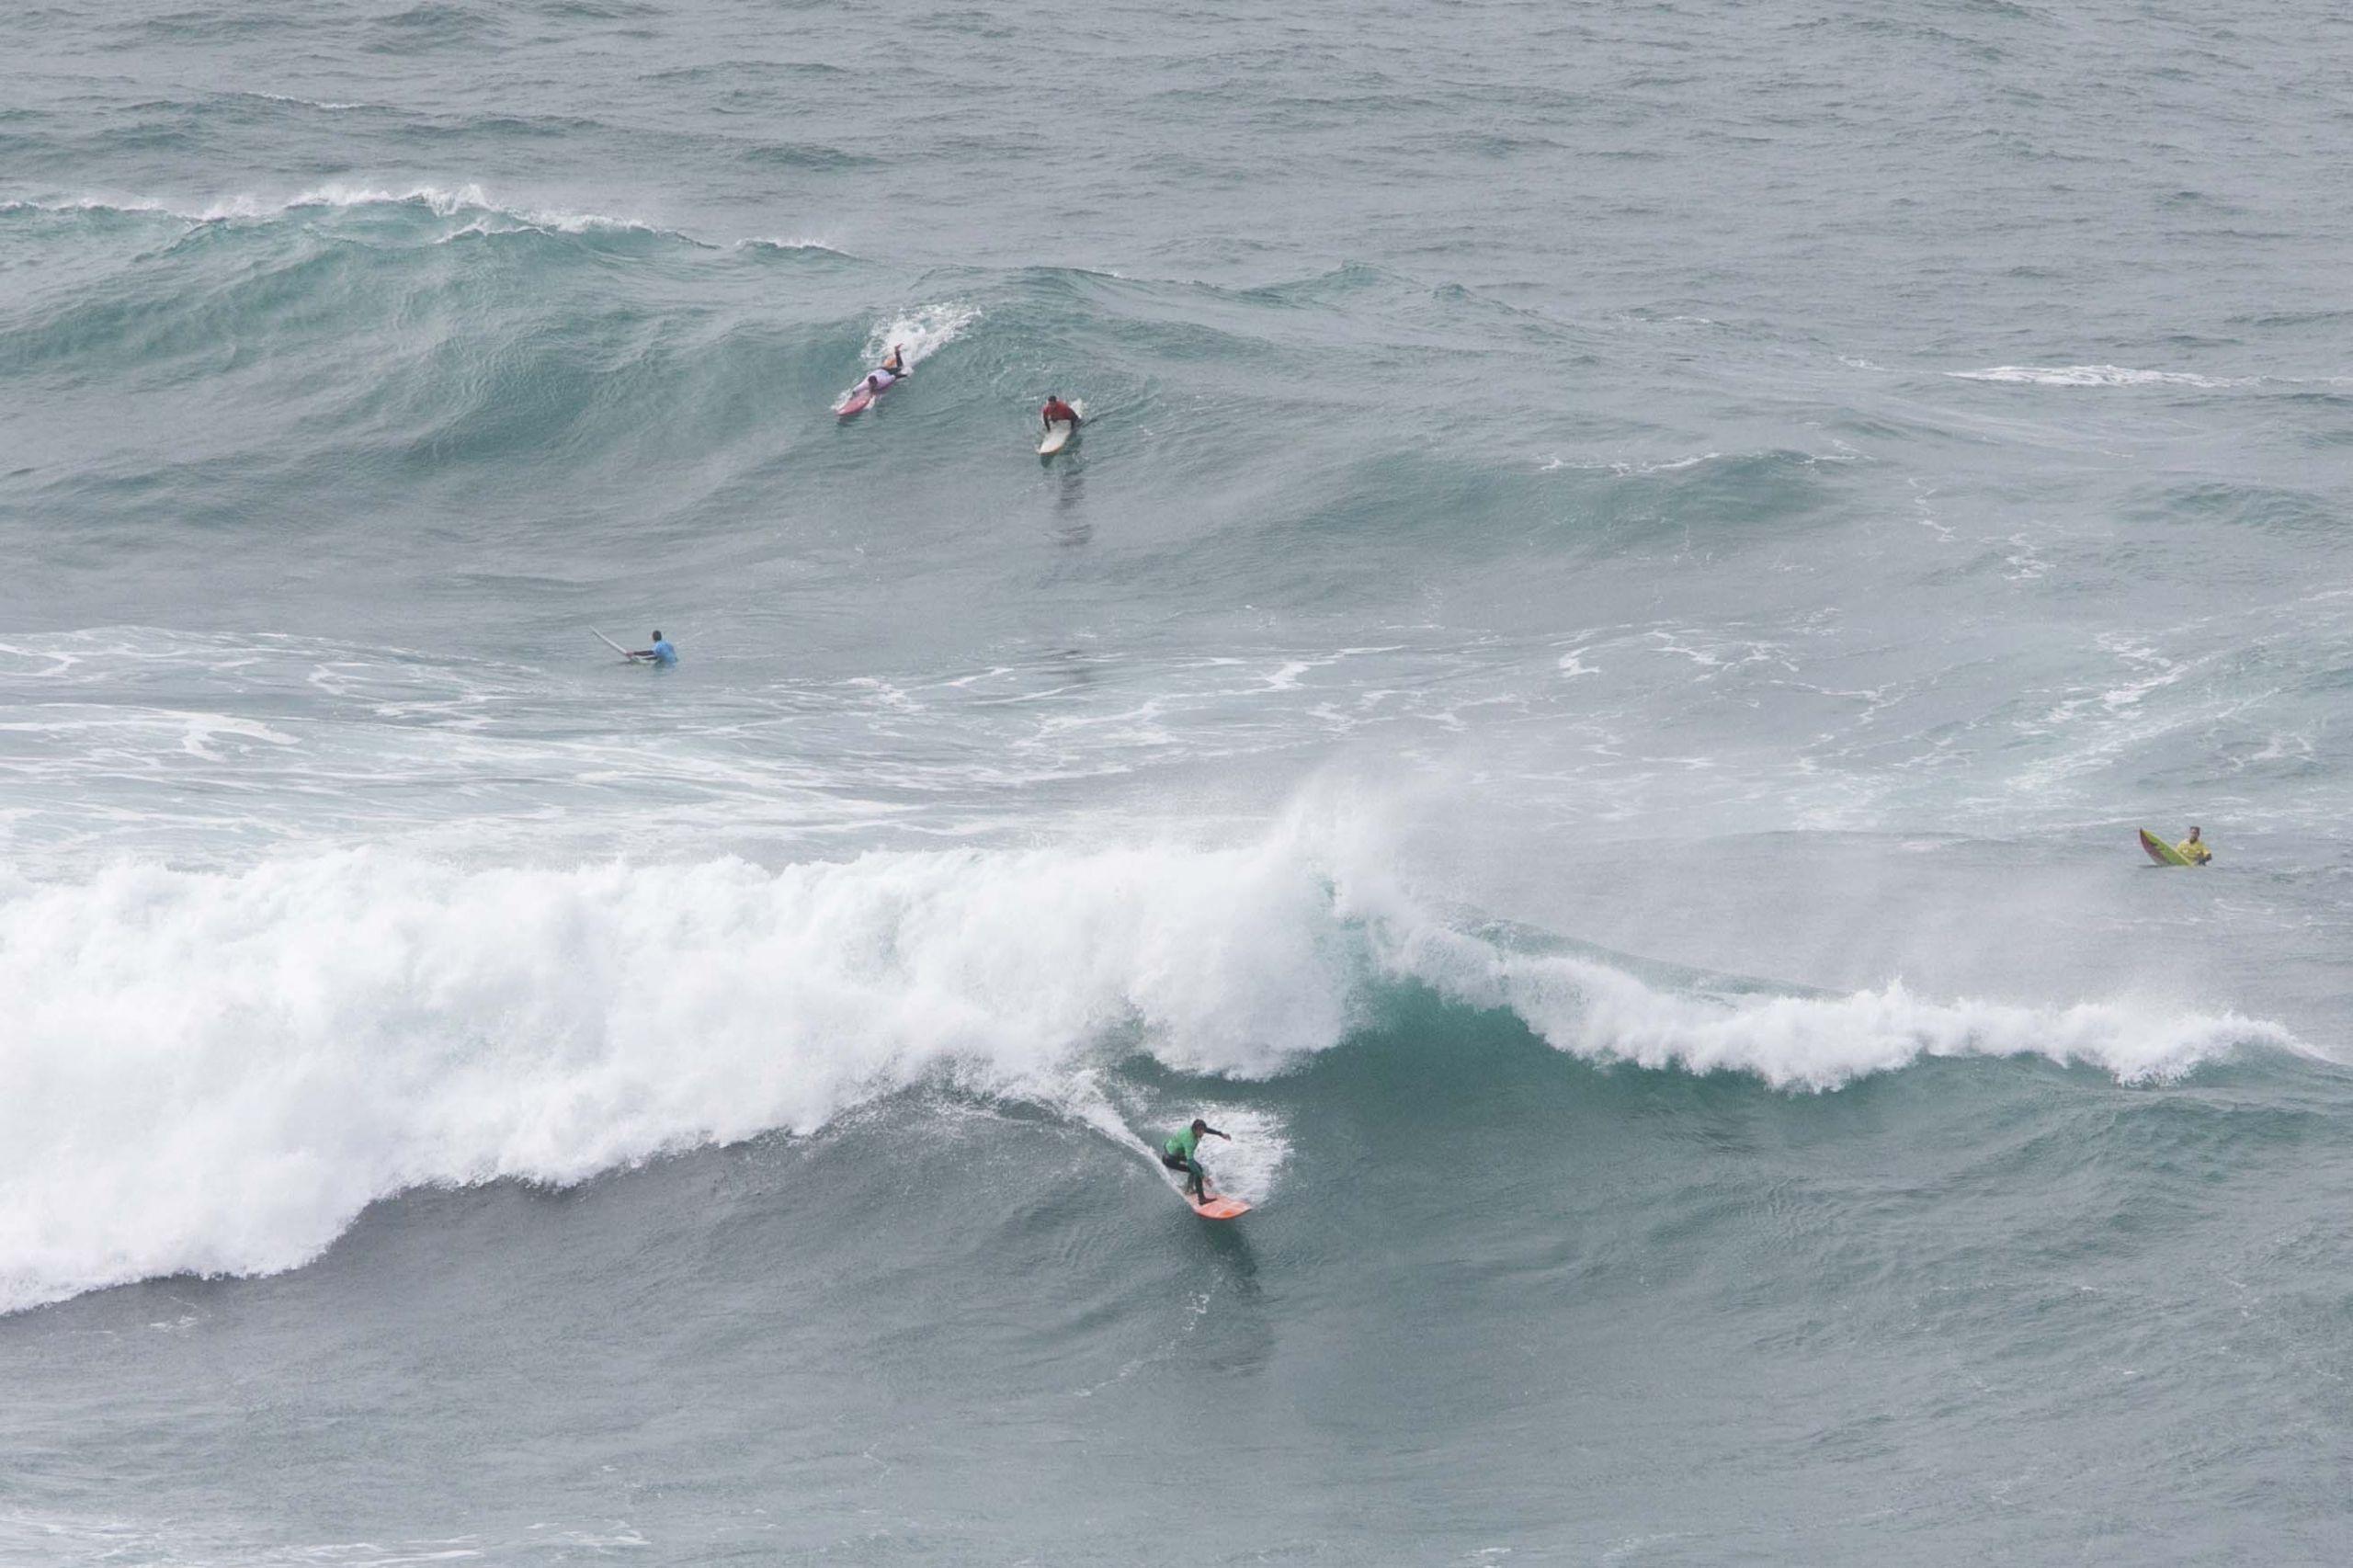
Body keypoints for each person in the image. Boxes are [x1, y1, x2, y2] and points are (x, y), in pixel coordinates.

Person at [1160, 1119, 1230, 1205]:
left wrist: (1221, 1134)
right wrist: (1203, 1177)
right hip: (1170, 1159)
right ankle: (1201, 1199)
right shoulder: (1190, 1141)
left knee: (1197, 1168)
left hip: (1171, 1149)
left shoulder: (1191, 1129)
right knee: (1197, 1170)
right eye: (1201, 1131)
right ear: (1195, 1130)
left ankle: (1189, 1189)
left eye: (1203, 1131)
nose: (1203, 1133)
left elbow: (1206, 1129)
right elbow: (1190, 1162)